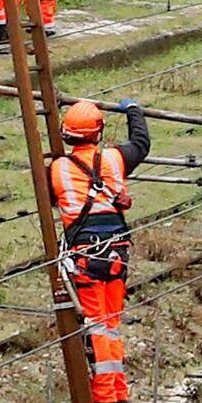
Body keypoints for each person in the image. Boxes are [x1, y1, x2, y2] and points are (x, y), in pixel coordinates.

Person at [45, 100, 133, 301]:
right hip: (117, 250)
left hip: (84, 253)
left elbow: (50, 199)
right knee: (110, 320)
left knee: (94, 320)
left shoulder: (56, 169)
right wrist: (133, 111)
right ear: (98, 131)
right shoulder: (114, 158)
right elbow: (141, 143)